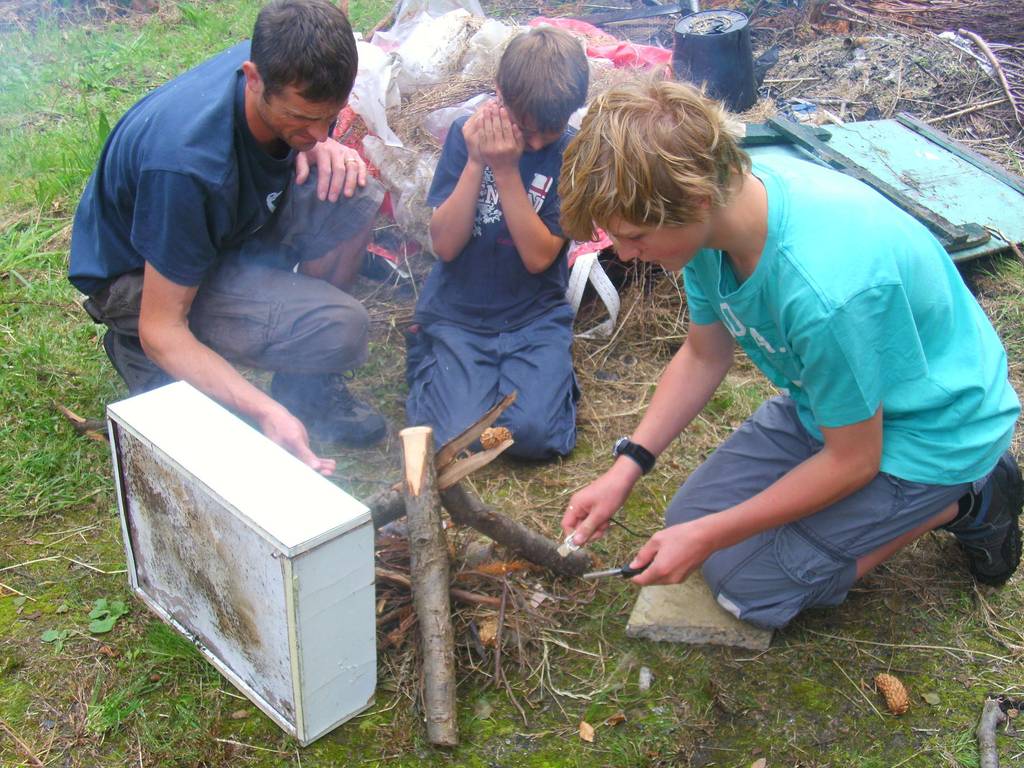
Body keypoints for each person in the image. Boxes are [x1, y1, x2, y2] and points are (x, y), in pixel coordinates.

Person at [559, 79, 1022, 629]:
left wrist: (712, 535)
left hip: (932, 428)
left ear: (698, 201)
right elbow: (705, 354)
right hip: (833, 403)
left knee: (745, 585)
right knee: (688, 518)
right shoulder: (716, 229)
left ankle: (971, 496)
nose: (626, 254)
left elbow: (854, 461)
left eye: (634, 236)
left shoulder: (824, 291)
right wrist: (627, 466)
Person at [69, 0, 387, 476]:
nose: (320, 132)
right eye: (303, 117)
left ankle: (305, 375)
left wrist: (319, 142)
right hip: (137, 276)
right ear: (253, 77)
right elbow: (164, 326)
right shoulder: (186, 166)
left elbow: (312, 127)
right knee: (337, 326)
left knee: (354, 192)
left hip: (220, 226)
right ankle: (137, 348)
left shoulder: (284, 60)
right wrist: (264, 411)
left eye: (330, 115)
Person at [404, 26, 588, 459]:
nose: (538, 141)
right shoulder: (464, 135)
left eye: (551, 129)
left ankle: (527, 402)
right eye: (528, 129)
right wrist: (475, 162)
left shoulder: (572, 154)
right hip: (459, 315)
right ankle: (442, 371)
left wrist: (506, 172)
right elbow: (445, 246)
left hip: (533, 318)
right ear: (501, 94)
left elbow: (540, 258)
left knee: (532, 435)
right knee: (455, 440)